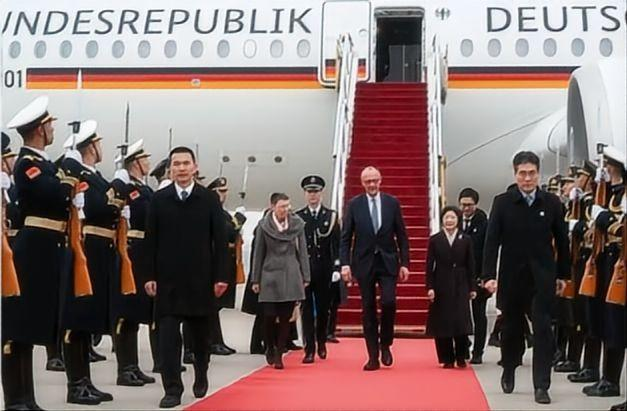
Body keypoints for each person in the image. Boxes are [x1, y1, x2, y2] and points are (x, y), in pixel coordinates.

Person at [2, 96, 76, 410]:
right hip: (32, 251)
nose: (53, 130)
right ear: (39, 130)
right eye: (50, 125)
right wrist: (67, 178)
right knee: (17, 328)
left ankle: (27, 399)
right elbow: (54, 193)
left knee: (31, 326)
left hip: (47, 249)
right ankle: (15, 399)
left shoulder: (44, 164)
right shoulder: (27, 164)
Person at [144, 146, 228, 408]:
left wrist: (221, 276)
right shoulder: (159, 200)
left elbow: (220, 241)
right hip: (168, 282)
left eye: (185, 163)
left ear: (195, 167)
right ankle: (172, 389)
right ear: (170, 168)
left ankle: (201, 372)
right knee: (168, 339)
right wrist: (149, 275)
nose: (181, 168)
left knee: (200, 338)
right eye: (176, 164)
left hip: (200, 281)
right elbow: (150, 240)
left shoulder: (209, 199)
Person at [483, 151, 569, 404]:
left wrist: (563, 275)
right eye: (522, 173)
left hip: (542, 277)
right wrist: (488, 275)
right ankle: (509, 367)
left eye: (532, 173)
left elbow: (562, 241)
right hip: (512, 277)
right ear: (515, 174)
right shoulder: (502, 202)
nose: (527, 178)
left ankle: (541, 385)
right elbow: (491, 241)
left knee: (543, 329)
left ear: (538, 174)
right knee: (511, 329)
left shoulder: (551, 202)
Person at [59, 120, 119, 404]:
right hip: (86, 250)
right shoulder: (79, 173)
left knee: (87, 320)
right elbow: (99, 207)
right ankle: (76, 384)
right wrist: (113, 200)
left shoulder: (95, 176)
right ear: (91, 147)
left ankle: (85, 380)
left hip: (99, 252)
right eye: (99, 143)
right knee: (77, 318)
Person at [340, 166, 410, 371]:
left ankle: (385, 343)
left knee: (389, 302)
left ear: (380, 181)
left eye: (374, 180)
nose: (372, 184)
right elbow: (345, 237)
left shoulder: (391, 203)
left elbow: (402, 235)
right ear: (362, 183)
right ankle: (372, 355)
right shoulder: (354, 205)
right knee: (368, 308)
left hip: (388, 261)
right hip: (364, 263)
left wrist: (405, 263)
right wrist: (345, 264)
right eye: (368, 181)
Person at [110, 139, 157, 386]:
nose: (148, 162)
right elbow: (144, 215)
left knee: (136, 313)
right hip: (131, 251)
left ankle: (133, 365)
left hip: (142, 252)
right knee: (125, 313)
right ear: (136, 163)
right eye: (145, 158)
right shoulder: (130, 189)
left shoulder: (143, 188)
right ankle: (124, 368)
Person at [582, 146, 625, 398]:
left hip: (618, 261)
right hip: (606, 260)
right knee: (603, 319)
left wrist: (604, 218)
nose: (605, 169)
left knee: (615, 321)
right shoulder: (610, 192)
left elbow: (619, 227)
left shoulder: (622, 195)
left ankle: (611, 380)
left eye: (608, 165)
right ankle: (606, 378)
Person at [251, 193, 310, 370]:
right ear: (273, 207)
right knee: (269, 315)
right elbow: (258, 253)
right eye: (282, 206)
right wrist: (255, 279)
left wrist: (305, 275)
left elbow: (303, 251)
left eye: (287, 206)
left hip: (291, 273)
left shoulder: (297, 225)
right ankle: (269, 345)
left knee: (286, 317)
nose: (286, 210)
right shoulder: (264, 226)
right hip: (270, 274)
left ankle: (279, 353)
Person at [295, 175, 341, 363]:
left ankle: (321, 341)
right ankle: (309, 349)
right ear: (305, 194)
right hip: (305, 270)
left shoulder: (331, 216)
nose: (312, 195)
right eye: (309, 192)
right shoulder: (298, 216)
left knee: (323, 309)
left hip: (324, 269)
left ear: (321, 193)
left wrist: (337, 266)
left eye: (315, 192)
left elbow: (336, 243)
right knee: (306, 310)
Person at [426, 206, 476, 368]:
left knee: (461, 320)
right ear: (442, 220)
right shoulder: (435, 240)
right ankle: (446, 357)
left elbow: (471, 264)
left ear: (458, 220)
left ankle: (461, 356)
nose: (449, 221)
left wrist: (472, 287)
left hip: (461, 282)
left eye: (453, 218)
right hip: (441, 282)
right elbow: (429, 265)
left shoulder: (465, 239)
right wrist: (430, 287)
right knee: (443, 320)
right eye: (447, 217)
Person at [207, 176, 246, 355]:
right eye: (221, 191)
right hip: (215, 259)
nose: (224, 194)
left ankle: (217, 340)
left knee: (217, 306)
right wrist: (239, 220)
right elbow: (226, 232)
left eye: (225, 191)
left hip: (226, 260)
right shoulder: (212, 211)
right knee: (213, 306)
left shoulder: (221, 212)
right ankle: (213, 341)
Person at [458, 187, 489, 364]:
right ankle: (464, 346)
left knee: (479, 314)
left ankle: (478, 351)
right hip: (460, 275)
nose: (466, 208)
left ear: (475, 205)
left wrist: (486, 276)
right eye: (463, 205)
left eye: (469, 205)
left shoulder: (483, 222)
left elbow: (487, 251)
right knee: (461, 313)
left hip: (478, 275)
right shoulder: (455, 220)